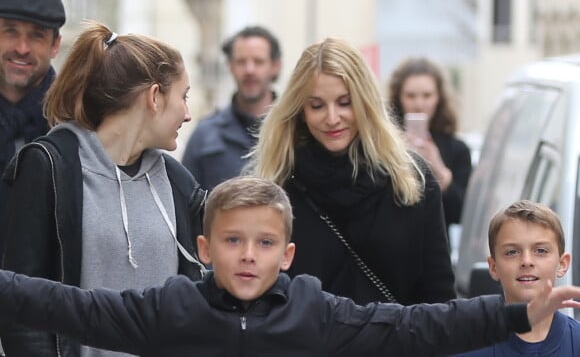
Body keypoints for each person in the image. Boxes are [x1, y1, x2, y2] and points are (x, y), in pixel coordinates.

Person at [0, 176, 579, 356]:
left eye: (264, 243)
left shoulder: (315, 311)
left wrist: (514, 313)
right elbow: (67, 306)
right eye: (232, 240)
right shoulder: (168, 309)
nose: (248, 255)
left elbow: (417, 327)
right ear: (204, 249)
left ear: (288, 254)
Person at [0, 22, 207, 357]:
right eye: (182, 97)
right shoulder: (49, 167)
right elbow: (19, 306)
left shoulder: (179, 183)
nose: (187, 113)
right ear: (154, 97)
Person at [251, 38, 456, 306]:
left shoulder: (410, 181)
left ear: (364, 102)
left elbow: (438, 297)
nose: (332, 117)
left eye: (345, 102)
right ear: (300, 111)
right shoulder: (278, 188)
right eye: (317, 105)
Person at [451, 200, 580, 357]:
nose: (526, 261)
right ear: (493, 267)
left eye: (540, 250)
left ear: (562, 264)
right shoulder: (463, 347)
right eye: (512, 252)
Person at [0, 0, 65, 255]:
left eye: (36, 35)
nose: (22, 48)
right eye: (10, 31)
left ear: (54, 45)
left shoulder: (76, 120)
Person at [183, 25, 281, 190]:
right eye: (241, 62)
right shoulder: (205, 135)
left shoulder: (293, 129)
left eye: (258, 61)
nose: (249, 70)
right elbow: (184, 201)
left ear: (275, 66)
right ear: (230, 66)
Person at [388, 57, 472, 231]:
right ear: (398, 97)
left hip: (435, 247)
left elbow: (462, 213)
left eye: (427, 95)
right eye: (410, 96)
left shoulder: (457, 149)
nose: (419, 104)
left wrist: (439, 169)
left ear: (438, 98)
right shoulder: (383, 144)